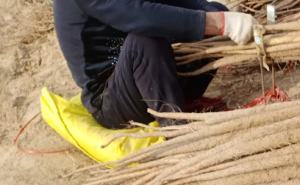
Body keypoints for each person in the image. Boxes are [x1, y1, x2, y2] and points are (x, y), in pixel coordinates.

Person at [53, 0, 256, 129]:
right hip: (111, 99)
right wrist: (218, 23)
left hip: (152, 78)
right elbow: (137, 15)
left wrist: (217, 14)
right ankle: (176, 130)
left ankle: (182, 101)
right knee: (144, 39)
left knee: (213, 11)